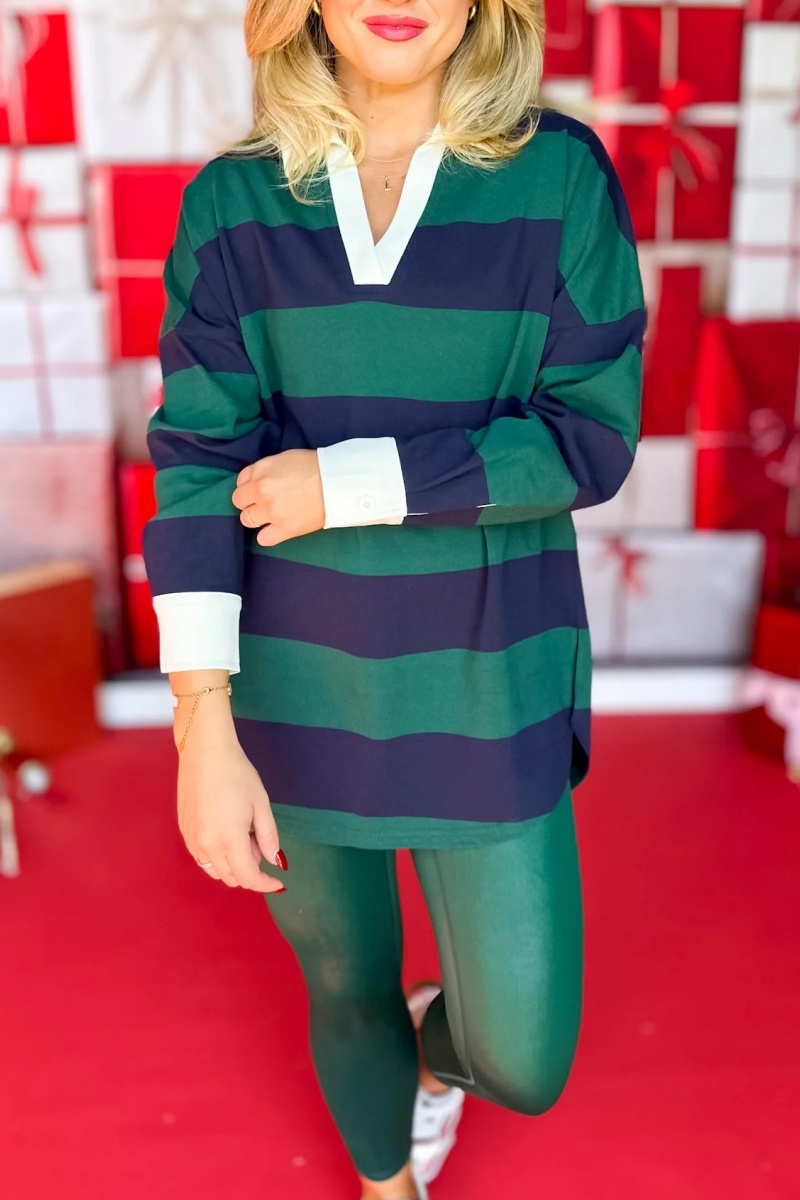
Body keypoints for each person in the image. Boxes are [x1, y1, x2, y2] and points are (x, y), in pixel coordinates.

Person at [142, 0, 646, 1195]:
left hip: (489, 673)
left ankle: (433, 1056)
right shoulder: (233, 201)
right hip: (291, 680)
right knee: (341, 981)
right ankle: (386, 1183)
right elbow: (197, 466)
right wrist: (200, 721)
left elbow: (588, 439)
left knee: (522, 1058)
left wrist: (350, 483)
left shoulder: (557, 177)